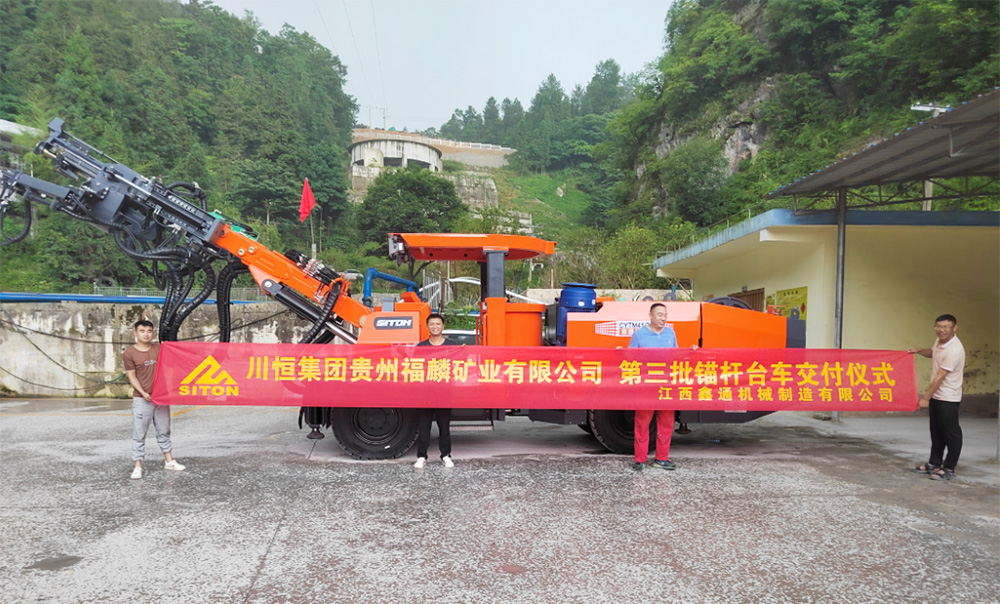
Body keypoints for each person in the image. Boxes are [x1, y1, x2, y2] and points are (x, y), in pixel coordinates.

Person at [124, 320, 185, 479]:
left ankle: (169, 460)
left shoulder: (160, 348)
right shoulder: (129, 353)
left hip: (161, 398)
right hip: (142, 399)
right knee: (139, 433)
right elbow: (132, 376)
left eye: (149, 331)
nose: (146, 334)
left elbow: (175, 360)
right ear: (135, 333)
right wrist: (143, 392)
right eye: (142, 331)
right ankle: (137, 465)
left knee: (164, 430)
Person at [908, 314, 966, 481]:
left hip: (948, 397)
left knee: (951, 433)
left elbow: (939, 377)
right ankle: (934, 463)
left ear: (954, 328)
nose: (942, 330)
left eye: (946, 327)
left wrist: (925, 398)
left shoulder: (954, 350)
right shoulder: (940, 342)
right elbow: (933, 353)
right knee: (937, 432)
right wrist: (919, 351)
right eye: (939, 326)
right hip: (937, 396)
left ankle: (949, 468)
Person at [629, 303, 678, 472]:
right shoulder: (639, 335)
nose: (663, 318)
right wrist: (620, 352)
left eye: (665, 315)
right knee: (642, 423)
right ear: (650, 316)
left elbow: (677, 356)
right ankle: (640, 460)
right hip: (646, 386)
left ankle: (662, 459)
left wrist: (692, 351)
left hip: (666, 386)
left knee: (666, 422)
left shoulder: (670, 334)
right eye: (659, 315)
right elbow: (630, 359)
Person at [414, 313, 457, 469]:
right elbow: (416, 368)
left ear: (443, 326)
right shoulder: (421, 347)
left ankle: (446, 455)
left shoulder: (452, 346)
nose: (435, 327)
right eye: (432, 324)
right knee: (424, 427)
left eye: (438, 324)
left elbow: (459, 367)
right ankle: (421, 456)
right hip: (425, 394)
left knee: (444, 427)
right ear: (427, 327)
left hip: (444, 393)